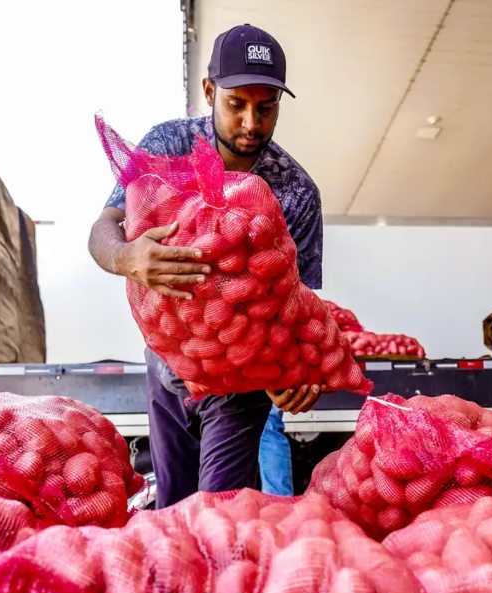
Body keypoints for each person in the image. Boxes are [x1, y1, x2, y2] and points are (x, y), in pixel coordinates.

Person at [88, 23, 323, 508]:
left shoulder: (296, 190)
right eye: (237, 104)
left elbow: (299, 306)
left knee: (218, 515)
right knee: (173, 511)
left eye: (267, 106)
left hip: (242, 383)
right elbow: (103, 228)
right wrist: (127, 256)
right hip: (165, 369)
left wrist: (298, 367)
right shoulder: (168, 146)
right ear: (210, 91)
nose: (252, 123)